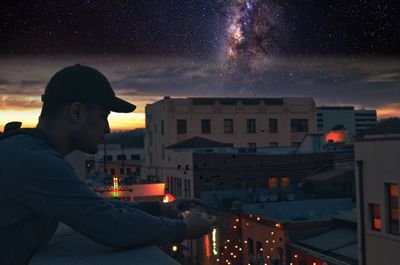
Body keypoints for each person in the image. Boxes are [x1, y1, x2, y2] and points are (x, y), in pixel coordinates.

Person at [0, 64, 216, 265]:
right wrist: (183, 228)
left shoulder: (28, 152)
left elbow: (93, 206)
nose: (108, 129)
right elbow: (110, 225)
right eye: (104, 116)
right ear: (77, 113)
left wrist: (158, 209)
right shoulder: (34, 161)